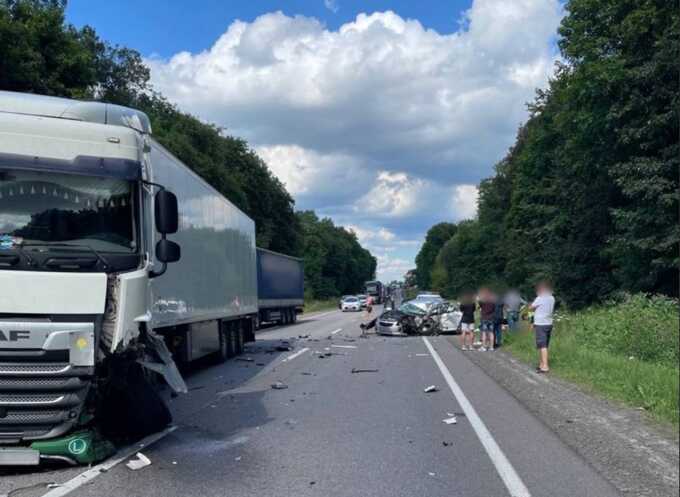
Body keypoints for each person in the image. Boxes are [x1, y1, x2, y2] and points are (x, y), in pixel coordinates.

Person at [529, 281, 555, 373]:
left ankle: (545, 366)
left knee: (542, 345)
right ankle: (541, 364)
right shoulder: (552, 297)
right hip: (549, 323)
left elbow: (530, 308)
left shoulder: (540, 298)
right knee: (544, 345)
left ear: (541, 289)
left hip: (541, 324)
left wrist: (532, 305)